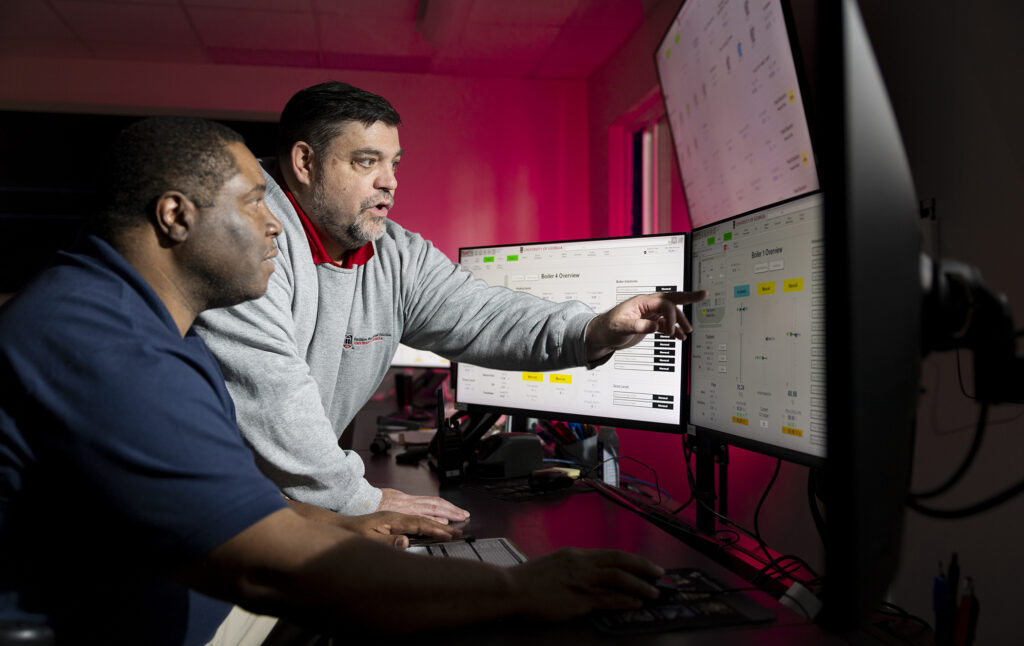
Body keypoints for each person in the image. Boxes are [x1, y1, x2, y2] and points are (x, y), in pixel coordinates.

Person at [0, 117, 665, 646]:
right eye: (256, 202)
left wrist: (332, 525)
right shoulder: (110, 346)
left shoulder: (125, 316)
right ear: (176, 216)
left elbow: (199, 499)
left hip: (169, 603)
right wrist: (524, 585)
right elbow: (270, 569)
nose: (274, 227)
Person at [195, 81, 707, 521]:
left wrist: (593, 329)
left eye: (393, 164)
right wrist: (361, 499)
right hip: (214, 516)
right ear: (304, 162)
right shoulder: (247, 242)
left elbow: (486, 317)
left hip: (287, 511)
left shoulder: (394, 254)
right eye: (365, 162)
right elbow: (275, 400)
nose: (389, 182)